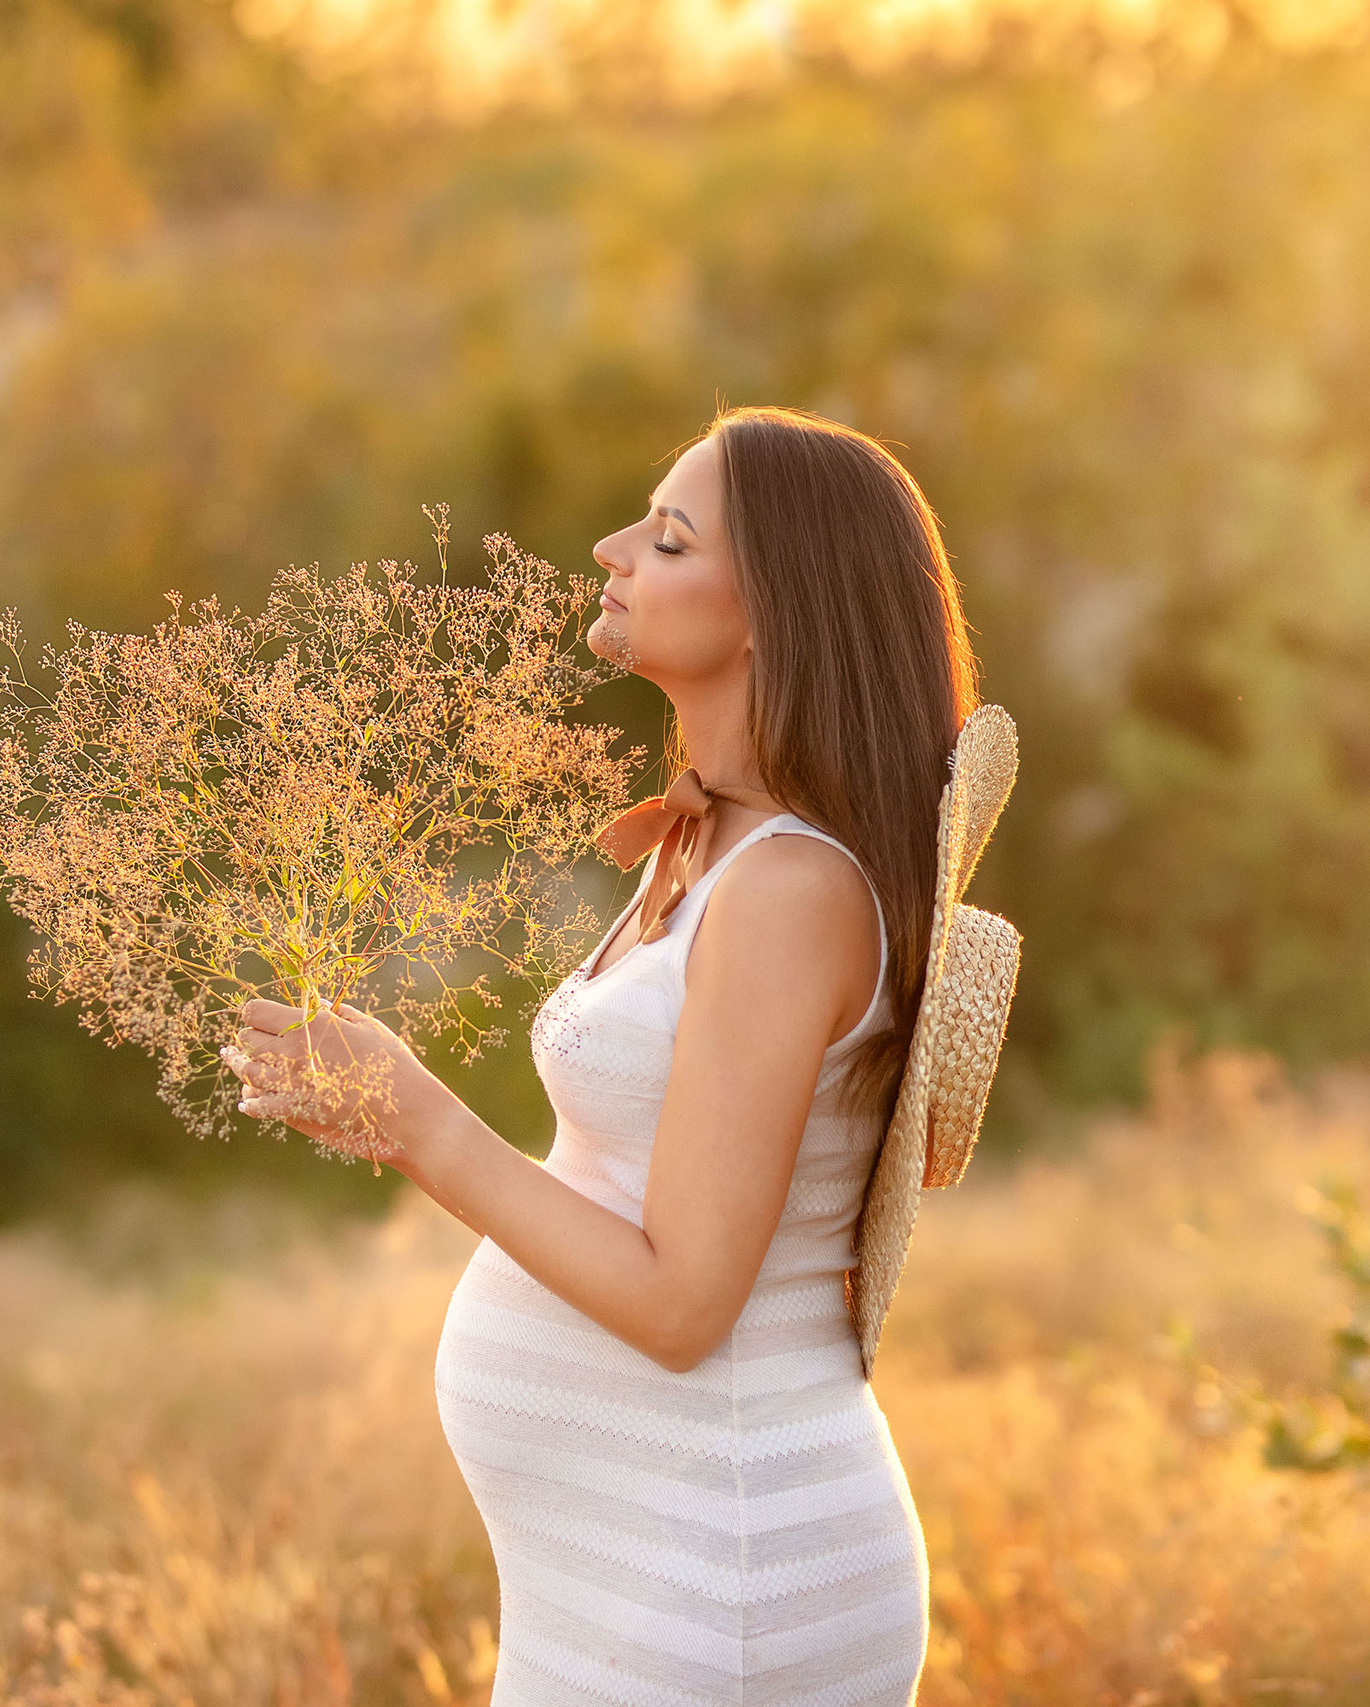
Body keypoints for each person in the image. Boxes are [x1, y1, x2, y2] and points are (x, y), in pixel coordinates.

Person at [228, 403, 980, 1704]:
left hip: (722, 1564)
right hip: (635, 1564)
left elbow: (684, 1304)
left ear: (772, 613)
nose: (611, 547)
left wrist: (424, 1122)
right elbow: (633, 1190)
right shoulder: (714, 849)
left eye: (671, 539)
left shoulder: (788, 892)